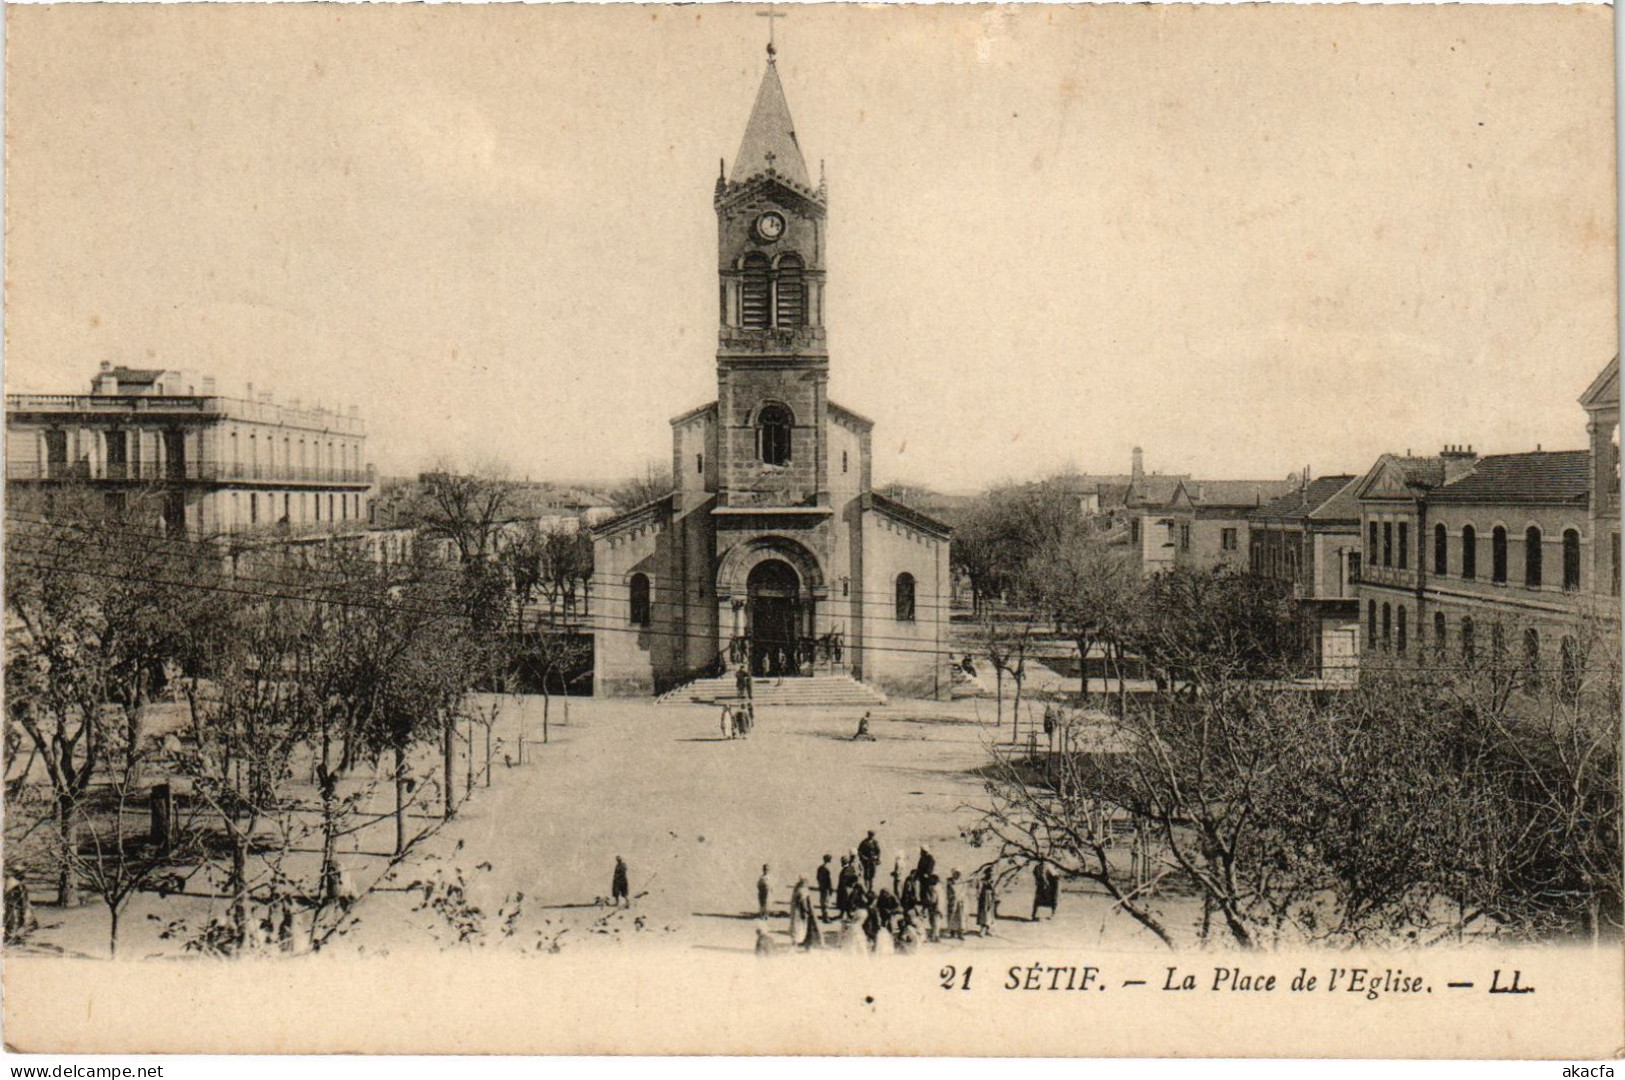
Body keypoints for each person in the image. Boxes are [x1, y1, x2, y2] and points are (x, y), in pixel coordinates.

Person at [945, 870, 966, 940]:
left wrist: (962, 898)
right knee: (952, 916)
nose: (957, 875)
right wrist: (951, 897)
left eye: (958, 873)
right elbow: (948, 892)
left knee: (961, 917)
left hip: (960, 902)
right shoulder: (949, 881)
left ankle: (961, 933)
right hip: (952, 902)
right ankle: (952, 932)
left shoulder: (962, 882)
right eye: (955, 873)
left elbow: (964, 891)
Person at [975, 867, 997, 937]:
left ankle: (988, 928)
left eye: (992, 873)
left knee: (990, 913)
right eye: (989, 873)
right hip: (983, 899)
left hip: (990, 899)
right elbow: (978, 888)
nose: (991, 874)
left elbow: (995, 890)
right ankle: (983, 928)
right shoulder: (982, 881)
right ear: (986, 873)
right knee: (983, 913)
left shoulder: (993, 881)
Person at [836, 854, 859, 918]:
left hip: (847, 887)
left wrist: (851, 885)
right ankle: (843, 914)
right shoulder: (847, 868)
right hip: (845, 887)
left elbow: (854, 877)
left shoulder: (849, 868)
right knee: (845, 901)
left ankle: (846, 914)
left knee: (847, 901)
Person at [789, 877, 810, 947]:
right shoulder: (803, 890)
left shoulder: (796, 888)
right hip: (800, 912)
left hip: (794, 910)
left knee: (795, 926)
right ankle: (799, 942)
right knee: (800, 927)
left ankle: (795, 941)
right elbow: (803, 903)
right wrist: (807, 910)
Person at [816, 854, 835, 921]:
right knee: (826, 901)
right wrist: (831, 888)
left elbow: (817, 877)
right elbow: (829, 880)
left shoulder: (820, 867)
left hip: (822, 887)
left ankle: (823, 914)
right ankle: (826, 917)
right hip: (826, 887)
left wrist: (820, 884)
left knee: (822, 901)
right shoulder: (827, 869)